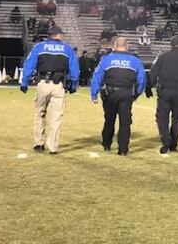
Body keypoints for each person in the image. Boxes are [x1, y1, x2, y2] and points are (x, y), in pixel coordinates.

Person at [19, 26, 80, 154]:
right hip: (59, 86)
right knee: (56, 117)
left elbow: (29, 64)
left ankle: (39, 143)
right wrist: (74, 84)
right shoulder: (67, 49)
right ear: (57, 35)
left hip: (42, 83)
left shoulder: (39, 47)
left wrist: (25, 81)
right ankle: (53, 147)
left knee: (40, 113)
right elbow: (75, 69)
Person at [90, 37, 147, 155]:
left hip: (110, 93)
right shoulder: (135, 60)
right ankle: (123, 149)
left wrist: (94, 94)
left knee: (109, 120)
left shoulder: (106, 59)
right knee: (125, 122)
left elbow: (97, 76)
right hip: (127, 94)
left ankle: (106, 144)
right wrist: (136, 93)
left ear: (114, 46)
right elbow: (142, 80)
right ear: (127, 46)